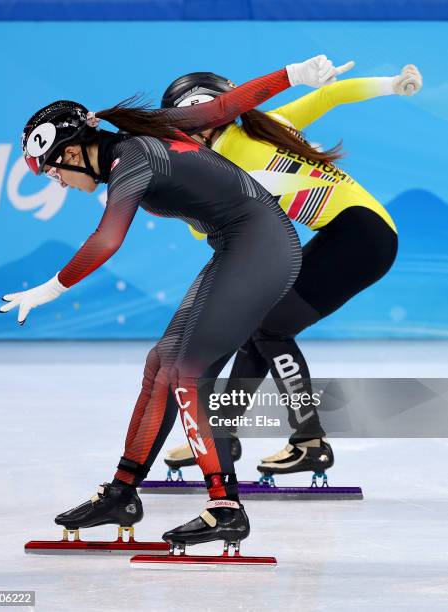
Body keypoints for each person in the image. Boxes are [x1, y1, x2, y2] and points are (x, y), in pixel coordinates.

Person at [0, 56, 351, 552]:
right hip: (239, 247)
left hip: (261, 250)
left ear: (75, 153)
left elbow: (106, 242)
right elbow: (225, 106)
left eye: (52, 169)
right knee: (161, 363)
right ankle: (122, 491)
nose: (55, 181)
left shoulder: (131, 159)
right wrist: (290, 76)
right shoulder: (139, 141)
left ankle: (225, 507)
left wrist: (50, 288)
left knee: (188, 371)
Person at [161, 64, 422, 483]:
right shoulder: (267, 123)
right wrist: (391, 84)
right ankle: (222, 435)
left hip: (356, 238)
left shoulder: (225, 159)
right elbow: (328, 96)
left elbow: (201, 230)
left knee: (267, 329)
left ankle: (310, 442)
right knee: (259, 327)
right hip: (361, 230)